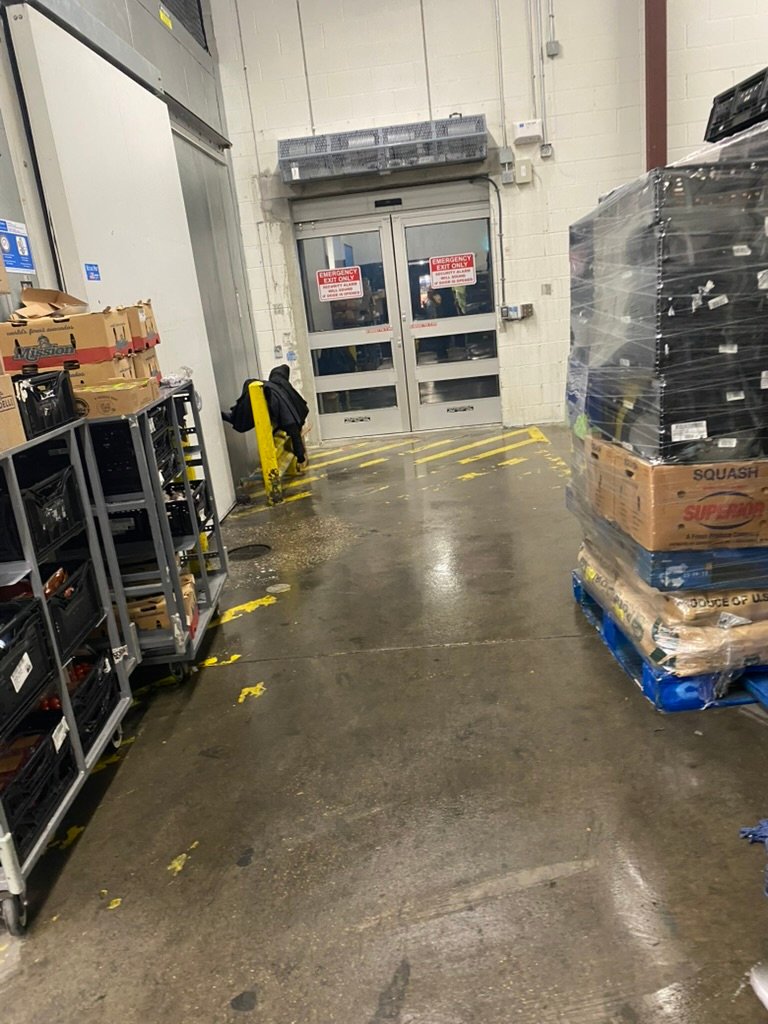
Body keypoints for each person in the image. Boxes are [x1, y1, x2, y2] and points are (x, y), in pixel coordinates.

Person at [222, 364, 310, 467]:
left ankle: (234, 418)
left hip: (284, 420)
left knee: (293, 437)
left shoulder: (271, 386)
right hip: (291, 420)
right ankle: (300, 458)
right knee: (295, 436)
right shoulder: (284, 386)